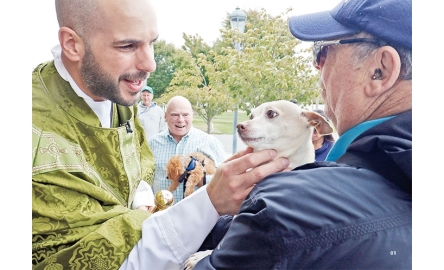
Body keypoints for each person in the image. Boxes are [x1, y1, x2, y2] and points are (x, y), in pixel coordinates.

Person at [32, 0, 289, 269]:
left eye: (151, 42)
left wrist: (143, 204)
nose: (151, 64)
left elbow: (138, 177)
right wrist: (210, 201)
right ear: (72, 45)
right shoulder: (35, 136)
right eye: (127, 46)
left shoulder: (112, 90)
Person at [193, 0, 412, 269]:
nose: (316, 66)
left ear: (380, 70)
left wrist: (208, 206)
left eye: (323, 52)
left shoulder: (285, 210)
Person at [149, 95, 227, 203]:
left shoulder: (210, 142)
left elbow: (226, 179)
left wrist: (200, 179)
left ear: (192, 116)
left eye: (185, 115)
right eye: (175, 115)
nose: (180, 120)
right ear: (165, 117)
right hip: (161, 214)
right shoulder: (152, 143)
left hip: (199, 215)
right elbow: (144, 182)